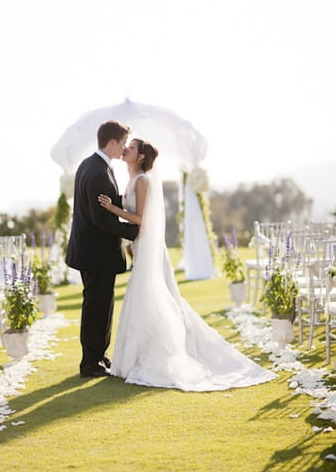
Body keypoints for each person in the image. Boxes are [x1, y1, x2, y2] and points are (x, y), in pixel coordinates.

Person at [98, 137, 276, 391]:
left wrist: (113, 209)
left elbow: (142, 219)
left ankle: (162, 353)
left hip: (149, 249)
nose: (126, 148)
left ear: (140, 156)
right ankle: (132, 358)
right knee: (146, 298)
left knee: (153, 296)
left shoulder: (142, 181)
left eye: (132, 147)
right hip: (140, 248)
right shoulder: (129, 179)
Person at [66, 120, 139, 378]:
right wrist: (134, 231)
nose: (123, 149)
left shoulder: (91, 165)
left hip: (91, 252)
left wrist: (130, 201)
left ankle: (98, 355)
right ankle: (90, 363)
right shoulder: (97, 170)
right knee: (97, 307)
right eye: (122, 144)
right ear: (111, 142)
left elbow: (104, 205)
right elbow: (101, 219)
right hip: (95, 253)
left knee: (101, 306)